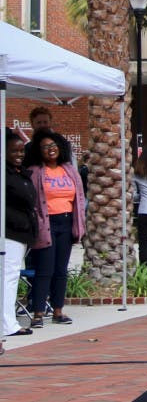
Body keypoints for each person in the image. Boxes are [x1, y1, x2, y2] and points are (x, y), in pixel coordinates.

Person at [24, 129, 85, 328]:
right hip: (46, 224)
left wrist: (79, 224)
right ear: (38, 151)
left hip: (66, 222)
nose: (50, 150)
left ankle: (58, 310)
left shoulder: (69, 169)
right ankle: (38, 313)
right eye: (45, 147)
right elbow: (32, 201)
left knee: (61, 269)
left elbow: (80, 198)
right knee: (45, 269)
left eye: (53, 146)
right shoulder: (35, 171)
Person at [4, 129, 37, 338]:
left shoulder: (21, 172)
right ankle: (7, 324)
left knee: (11, 276)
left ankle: (7, 321)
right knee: (8, 277)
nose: (19, 154)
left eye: (21, 150)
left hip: (22, 233)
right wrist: (17, 221)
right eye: (14, 151)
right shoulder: (4, 174)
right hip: (9, 233)